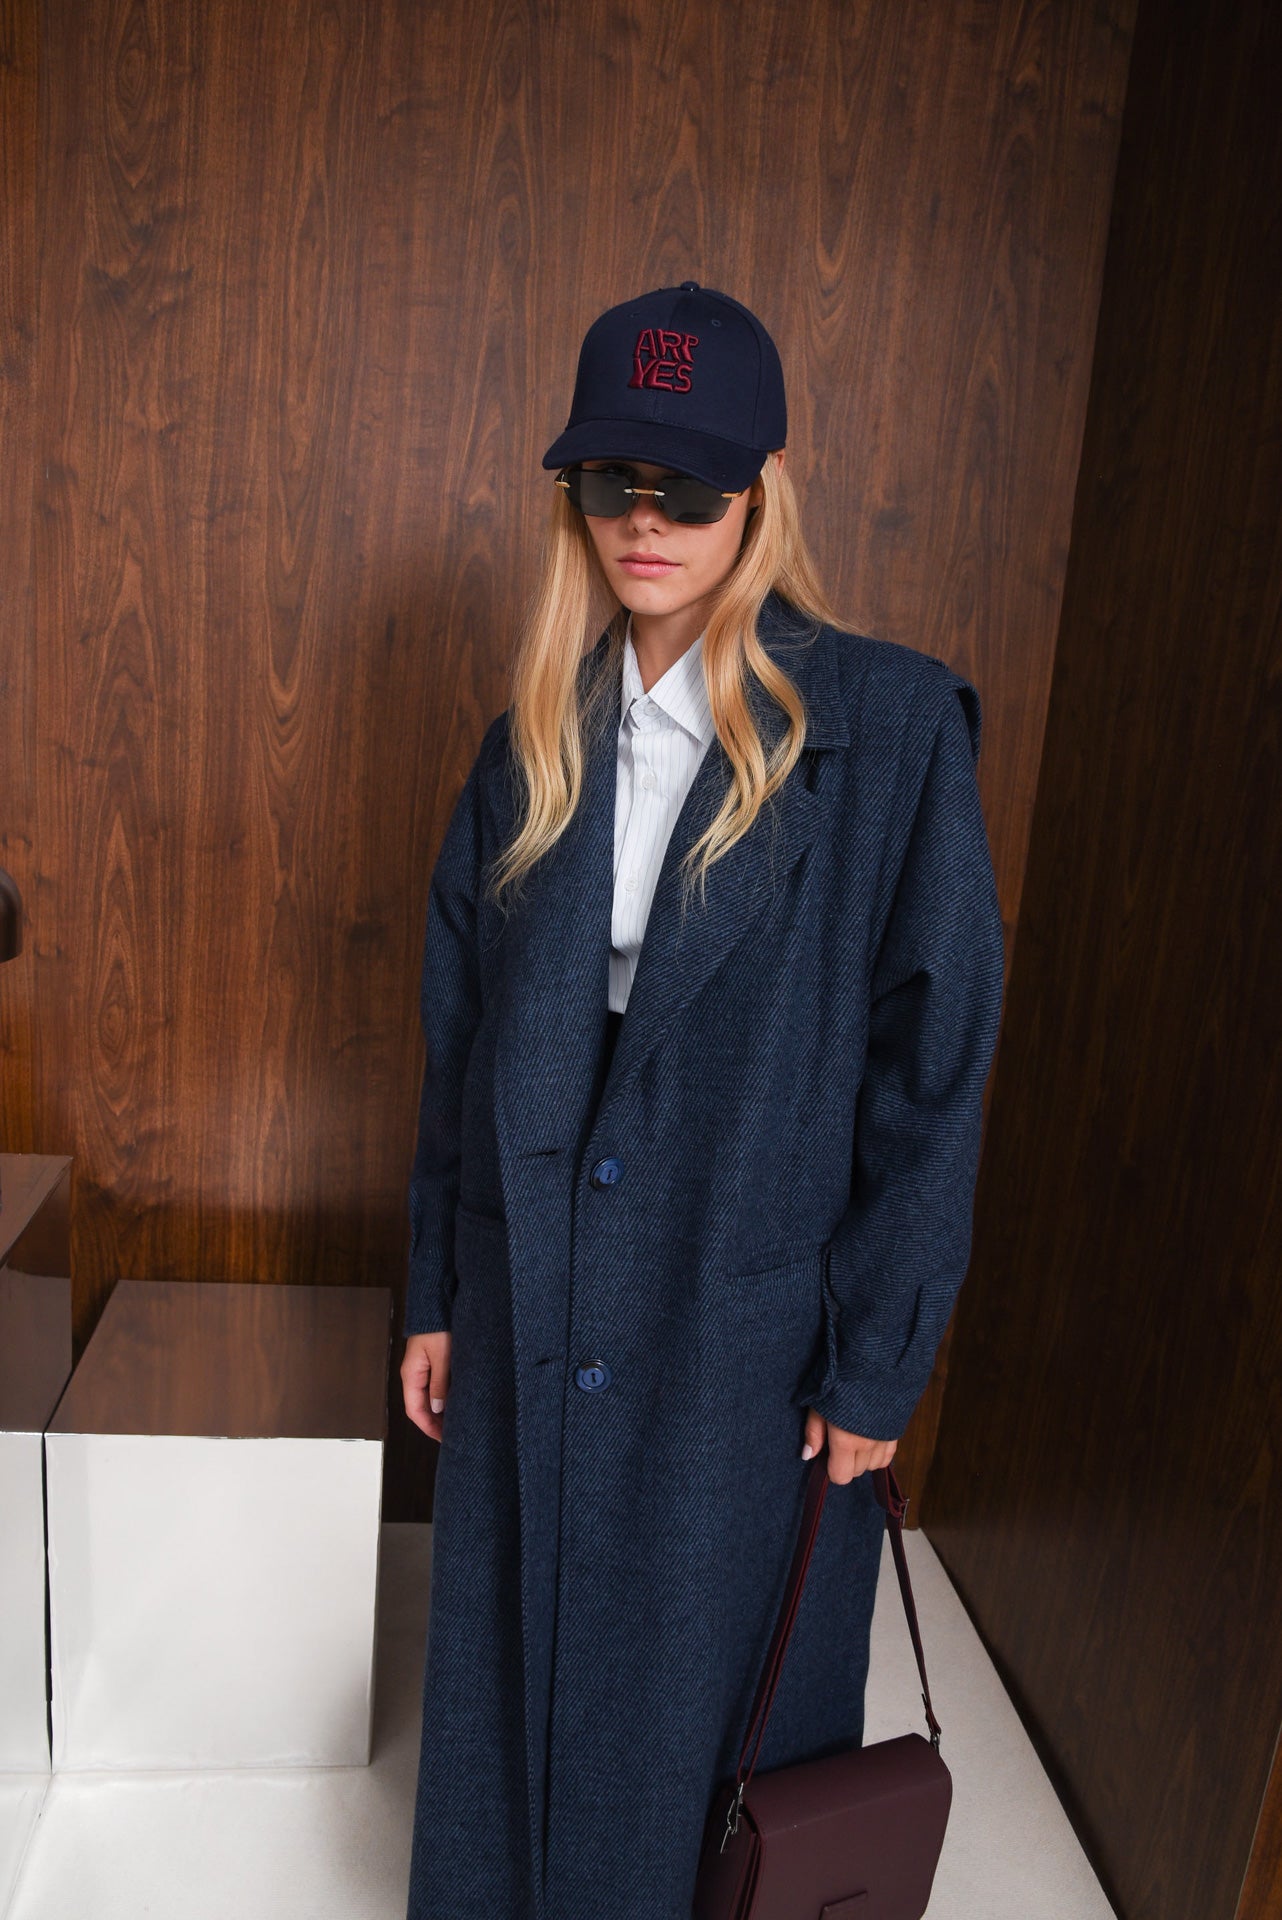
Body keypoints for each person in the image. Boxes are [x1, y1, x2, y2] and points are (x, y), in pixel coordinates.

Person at [399, 282, 1005, 1920]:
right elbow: (464, 1040)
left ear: (762, 488)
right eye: (612, 481)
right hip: (533, 1279)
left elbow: (933, 1075)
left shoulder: (887, 733)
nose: (645, 522)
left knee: (697, 1692)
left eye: (688, 486)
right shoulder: (530, 743)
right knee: (519, 1650)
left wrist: (878, 1359)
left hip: (741, 1314)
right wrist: (439, 1291)